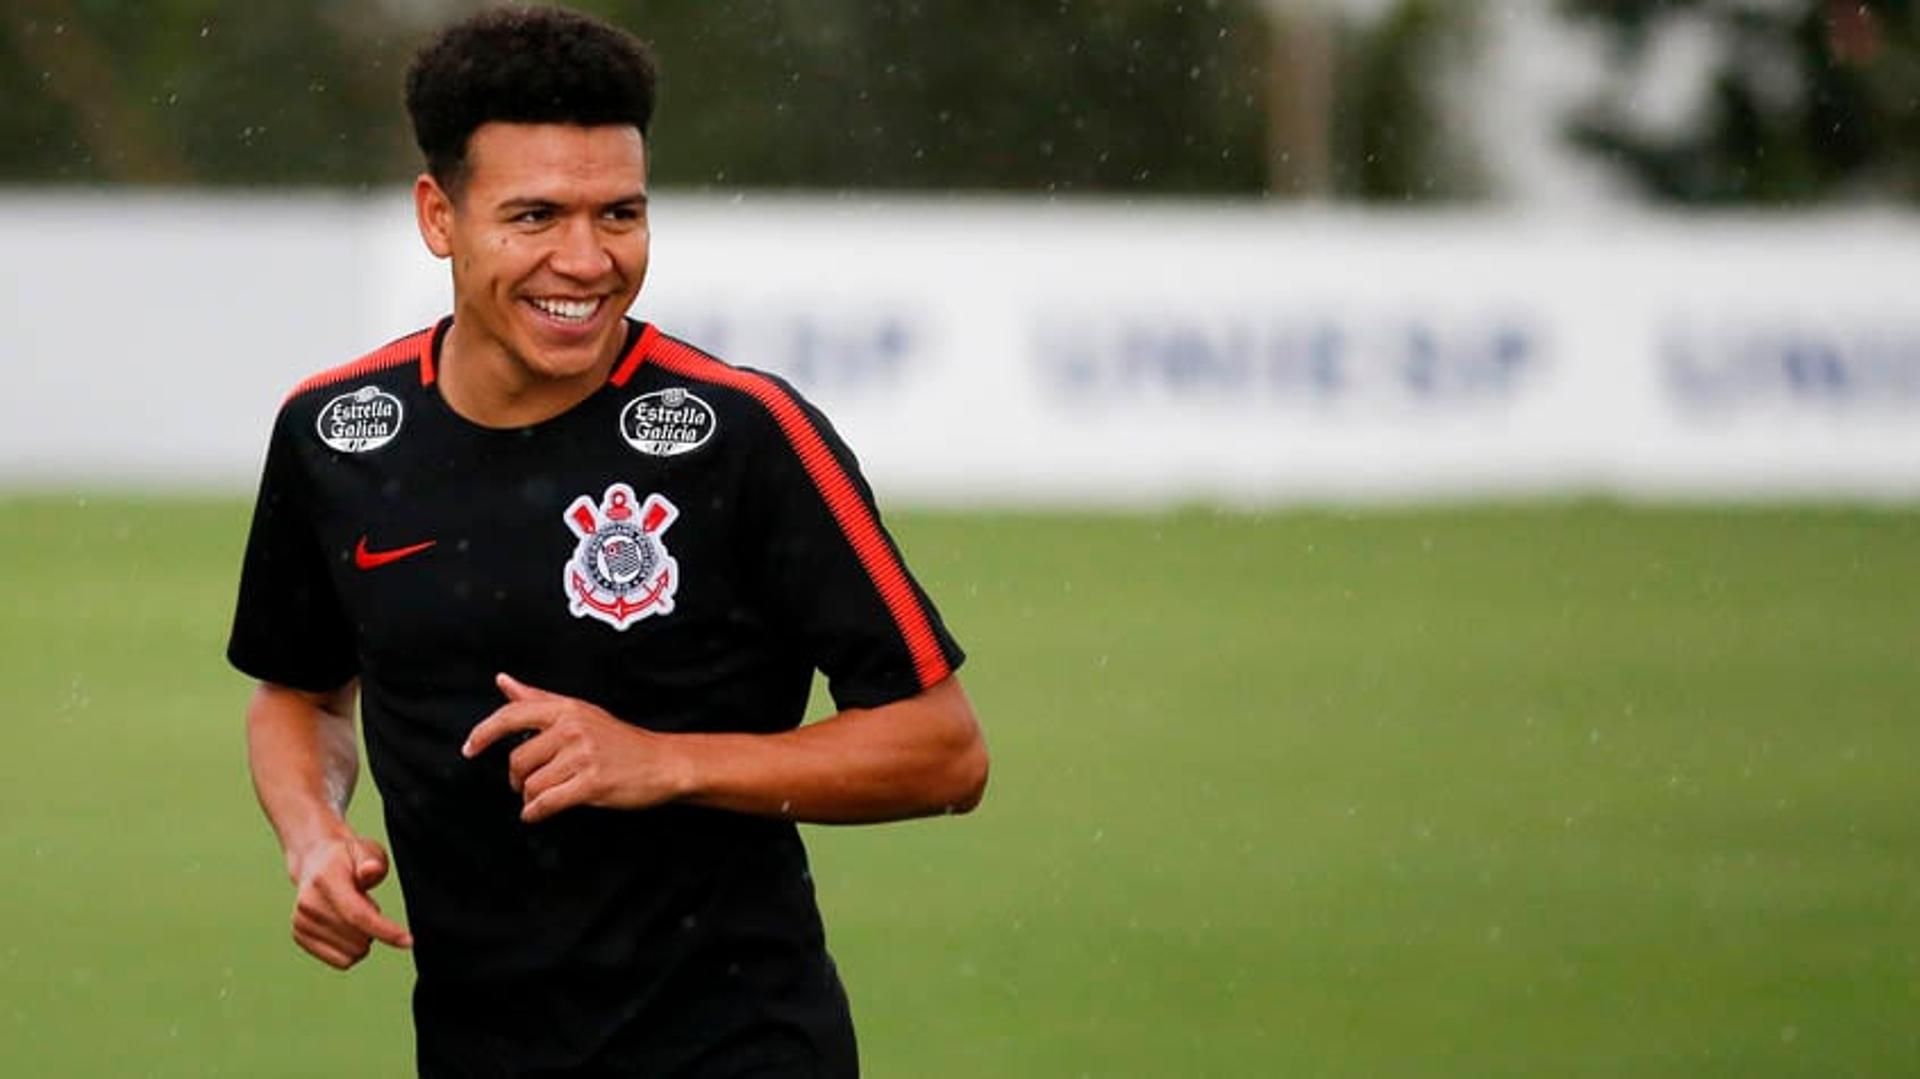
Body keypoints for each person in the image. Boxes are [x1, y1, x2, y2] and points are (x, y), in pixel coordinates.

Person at [226, 7, 987, 1076]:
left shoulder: (745, 434)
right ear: (438, 216)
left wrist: (666, 760)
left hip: (735, 1047)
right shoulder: (335, 432)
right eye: (535, 216)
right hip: (473, 1048)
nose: (585, 261)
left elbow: (944, 749)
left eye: (619, 213)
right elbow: (299, 695)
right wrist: (313, 835)